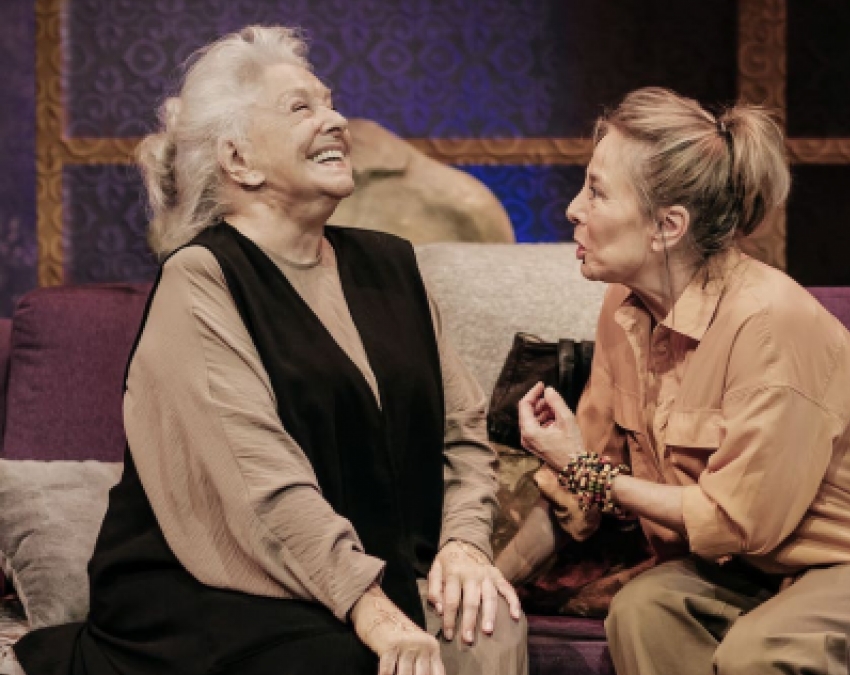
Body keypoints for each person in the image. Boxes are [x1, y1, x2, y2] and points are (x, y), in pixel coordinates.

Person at [13, 26, 525, 675]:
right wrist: (369, 606)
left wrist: (465, 546)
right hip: (222, 590)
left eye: (330, 102)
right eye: (301, 107)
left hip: (374, 571)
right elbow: (260, 484)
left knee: (489, 622)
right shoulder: (201, 279)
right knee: (342, 660)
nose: (336, 120)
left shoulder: (395, 266)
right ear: (239, 160)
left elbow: (462, 434)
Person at [513, 87, 850, 675]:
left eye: (597, 191)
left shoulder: (769, 323)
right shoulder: (623, 310)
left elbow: (736, 520)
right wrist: (484, 575)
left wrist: (584, 469)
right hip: (750, 566)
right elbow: (580, 482)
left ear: (667, 226)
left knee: (761, 652)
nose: (573, 209)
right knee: (641, 609)